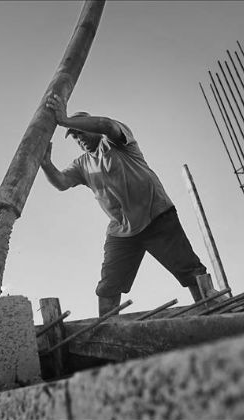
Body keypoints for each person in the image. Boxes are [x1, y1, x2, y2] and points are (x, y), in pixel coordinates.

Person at [42, 93, 210, 316]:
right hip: (122, 231)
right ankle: (107, 329)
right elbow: (61, 182)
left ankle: (212, 307)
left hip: (156, 216)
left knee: (190, 271)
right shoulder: (82, 163)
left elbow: (106, 124)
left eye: (80, 131)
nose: (78, 138)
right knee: (107, 287)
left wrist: (64, 120)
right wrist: (46, 164)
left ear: (91, 128)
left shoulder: (116, 141)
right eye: (74, 137)